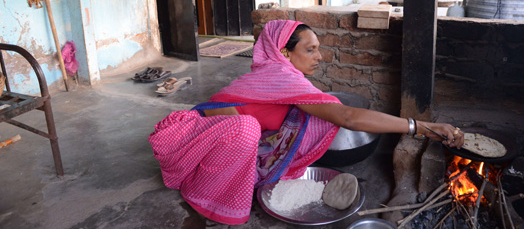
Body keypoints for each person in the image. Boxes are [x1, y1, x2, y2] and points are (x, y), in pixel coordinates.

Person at [148, 20, 464, 225]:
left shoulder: (283, 77)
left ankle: (246, 170)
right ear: (284, 54)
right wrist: (420, 127)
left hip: (219, 143)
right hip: (189, 141)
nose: (320, 56)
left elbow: (337, 113)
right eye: (310, 49)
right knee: (248, 129)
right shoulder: (281, 76)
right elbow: (349, 118)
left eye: (319, 49)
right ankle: (203, 192)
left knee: (306, 117)